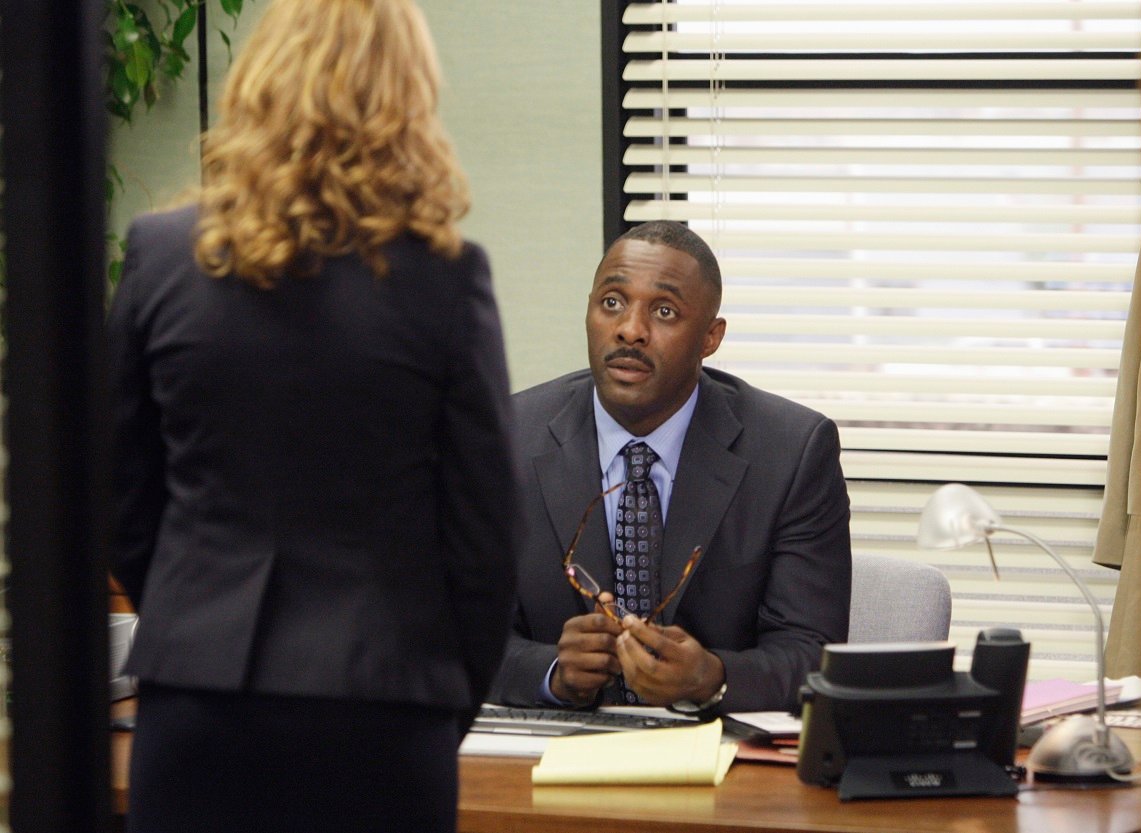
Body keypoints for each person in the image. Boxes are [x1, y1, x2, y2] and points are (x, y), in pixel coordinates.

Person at [106, 1, 518, 831]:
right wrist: (441, 700)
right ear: (408, 96)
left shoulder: (159, 255)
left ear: (258, 79)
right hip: (385, 710)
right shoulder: (446, 278)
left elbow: (119, 494)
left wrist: (198, 610)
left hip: (197, 705)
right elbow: (485, 538)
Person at [489, 220, 851, 715]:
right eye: (612, 302)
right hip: (548, 748)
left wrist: (712, 678)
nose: (630, 329)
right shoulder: (507, 437)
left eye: (664, 311)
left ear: (710, 337)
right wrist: (551, 672)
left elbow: (813, 653)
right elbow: (446, 635)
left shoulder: (791, 452)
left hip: (717, 750)